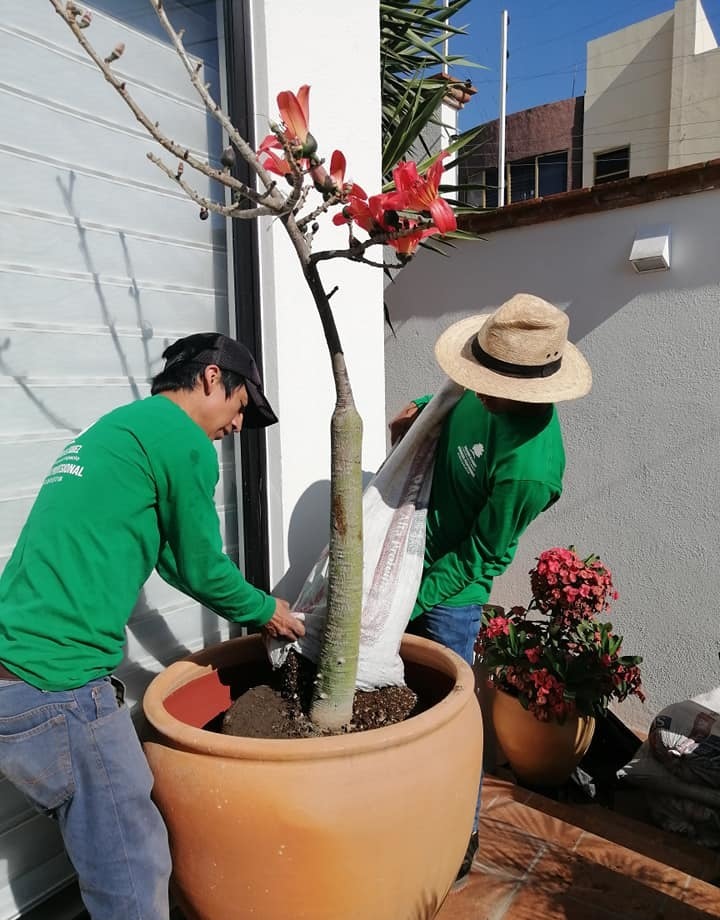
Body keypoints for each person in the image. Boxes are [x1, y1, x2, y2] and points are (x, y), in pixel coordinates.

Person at [0, 332, 305, 920]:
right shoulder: (181, 441)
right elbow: (201, 565)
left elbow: (170, 558)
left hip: (16, 670)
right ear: (214, 378)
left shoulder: (121, 427)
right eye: (242, 409)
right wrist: (267, 610)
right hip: (56, 685)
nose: (238, 428)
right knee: (132, 869)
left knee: (110, 856)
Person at [391, 293, 591, 889]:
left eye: (486, 381)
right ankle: (401, 819)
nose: (474, 386)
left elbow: (484, 554)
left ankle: (458, 837)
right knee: (395, 707)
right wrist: (420, 411)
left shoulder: (532, 464)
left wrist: (413, 597)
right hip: (410, 563)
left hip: (450, 596)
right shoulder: (481, 390)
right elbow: (448, 404)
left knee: (451, 725)